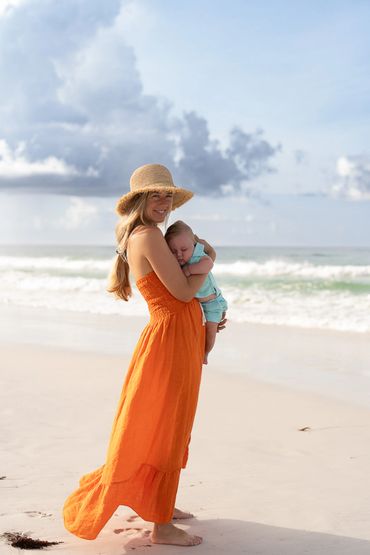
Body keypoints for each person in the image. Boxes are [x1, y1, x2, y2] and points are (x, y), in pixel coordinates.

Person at [62, 163, 226, 547]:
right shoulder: (149, 236)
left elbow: (183, 292)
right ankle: (161, 526)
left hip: (177, 334)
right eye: (156, 194)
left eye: (168, 194)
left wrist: (208, 312)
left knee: (172, 421)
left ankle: (160, 504)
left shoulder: (147, 234)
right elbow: (183, 293)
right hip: (169, 339)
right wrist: (211, 262)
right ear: (139, 199)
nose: (164, 202)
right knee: (165, 424)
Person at [165, 221, 228, 365]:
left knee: (211, 334)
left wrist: (188, 270)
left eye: (184, 249)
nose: (179, 254)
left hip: (213, 303)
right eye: (173, 251)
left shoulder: (198, 254)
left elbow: (209, 264)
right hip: (201, 305)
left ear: (193, 245)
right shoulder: (180, 259)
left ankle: (206, 353)